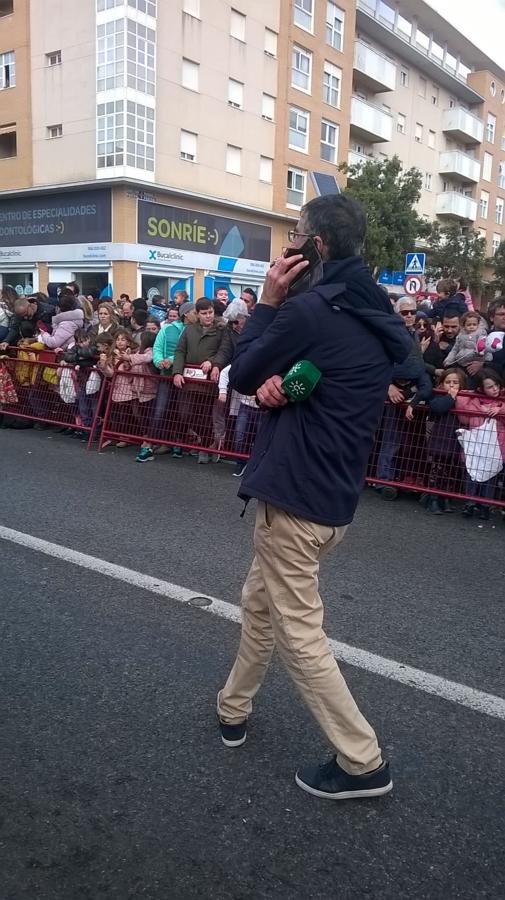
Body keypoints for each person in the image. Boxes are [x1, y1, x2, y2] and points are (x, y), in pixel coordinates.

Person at [217, 193, 411, 800]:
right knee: (258, 604)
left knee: (300, 634)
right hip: (334, 498)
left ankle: (362, 761)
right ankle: (233, 707)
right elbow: (334, 375)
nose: (289, 245)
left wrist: (268, 301)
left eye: (296, 235)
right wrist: (290, 384)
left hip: (293, 500)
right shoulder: (375, 311)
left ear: (316, 247)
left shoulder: (308, 310)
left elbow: (241, 373)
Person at [374, 298, 432, 499]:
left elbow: (417, 365)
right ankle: (384, 480)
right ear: (396, 313)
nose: (409, 316)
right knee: (391, 439)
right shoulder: (388, 334)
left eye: (412, 312)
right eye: (405, 312)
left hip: (409, 389)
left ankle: (395, 478)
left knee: (406, 441)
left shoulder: (414, 333)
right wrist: (388, 386)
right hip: (390, 391)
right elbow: (377, 363)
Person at [172, 297, 232, 462]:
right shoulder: (189, 330)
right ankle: (208, 442)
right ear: (197, 314)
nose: (208, 316)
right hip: (189, 380)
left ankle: (205, 447)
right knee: (185, 413)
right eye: (204, 313)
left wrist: (213, 362)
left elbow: (224, 350)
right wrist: (176, 372)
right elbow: (180, 351)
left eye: (210, 312)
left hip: (208, 382)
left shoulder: (221, 329)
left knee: (204, 416)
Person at [455, 368, 505, 520]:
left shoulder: (502, 400)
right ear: (481, 388)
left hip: (496, 446)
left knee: (491, 474)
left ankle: (485, 505)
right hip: (476, 446)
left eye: (496, 385)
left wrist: (500, 410)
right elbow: (463, 418)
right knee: (471, 473)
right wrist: (470, 397)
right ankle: (470, 502)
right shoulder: (474, 401)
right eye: (490, 387)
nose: (495, 389)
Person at [151, 301, 197, 456]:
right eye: (194, 312)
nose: (197, 315)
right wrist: (159, 361)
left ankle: (178, 442)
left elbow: (187, 352)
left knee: (181, 412)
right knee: (161, 410)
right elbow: (157, 347)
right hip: (166, 375)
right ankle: (163, 441)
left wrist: (170, 360)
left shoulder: (195, 331)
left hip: (185, 376)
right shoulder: (167, 328)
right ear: (186, 314)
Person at [422, 368, 467, 515]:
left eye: (456, 382)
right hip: (440, 439)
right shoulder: (438, 396)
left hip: (455, 440)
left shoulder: (465, 397)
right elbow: (438, 408)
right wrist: (450, 397)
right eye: (448, 382)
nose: (452, 385)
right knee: (437, 469)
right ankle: (433, 498)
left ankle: (446, 497)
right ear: (442, 384)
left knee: (450, 471)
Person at [211, 300, 250, 461]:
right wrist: (216, 365)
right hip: (234, 372)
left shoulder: (254, 327)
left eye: (236, 322)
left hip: (248, 373)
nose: (234, 325)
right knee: (232, 413)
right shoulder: (229, 329)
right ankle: (232, 450)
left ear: (244, 317)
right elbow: (225, 349)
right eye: (231, 322)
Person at [442, 311, 487, 379]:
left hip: (474, 363)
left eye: (474, 325)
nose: (471, 327)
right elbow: (455, 349)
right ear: (463, 325)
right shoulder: (460, 336)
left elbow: (486, 350)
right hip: (461, 363)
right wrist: (449, 360)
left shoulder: (481, 335)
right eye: (469, 325)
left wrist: (483, 362)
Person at [423, 313, 460, 383]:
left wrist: (448, 348)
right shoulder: (433, 336)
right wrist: (435, 343)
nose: (449, 330)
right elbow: (427, 361)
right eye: (446, 326)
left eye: (453, 327)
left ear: (460, 325)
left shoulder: (465, 337)